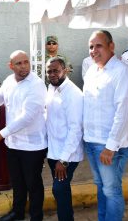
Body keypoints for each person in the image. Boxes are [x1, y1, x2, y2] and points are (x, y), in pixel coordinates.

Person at [0, 50, 47, 221]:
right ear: (10, 66)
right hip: (13, 144)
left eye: (26, 62)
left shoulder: (37, 84)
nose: (24, 66)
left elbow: (28, 116)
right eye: (18, 63)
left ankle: (36, 216)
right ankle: (17, 213)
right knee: (18, 182)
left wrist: (1, 134)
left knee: (33, 184)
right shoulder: (9, 81)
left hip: (32, 146)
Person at [83, 30, 128, 221]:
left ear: (111, 46)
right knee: (102, 186)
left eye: (98, 45)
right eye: (91, 46)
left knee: (111, 190)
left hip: (109, 145)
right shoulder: (91, 70)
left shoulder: (122, 72)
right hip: (91, 141)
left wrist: (110, 146)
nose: (94, 50)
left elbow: (125, 112)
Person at [45, 57, 84, 221]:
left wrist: (64, 160)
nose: (52, 74)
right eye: (49, 71)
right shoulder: (51, 87)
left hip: (67, 155)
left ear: (65, 70)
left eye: (56, 70)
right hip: (53, 152)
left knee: (59, 189)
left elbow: (76, 129)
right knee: (60, 189)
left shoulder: (73, 94)